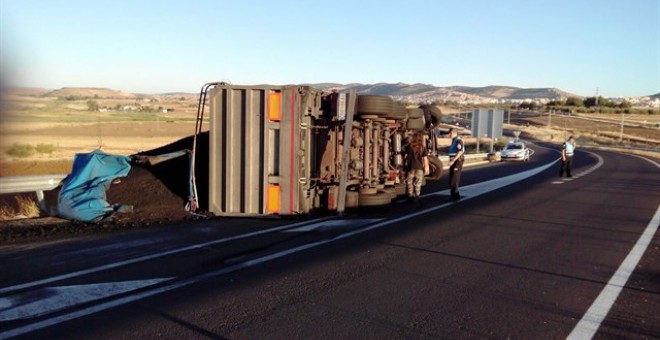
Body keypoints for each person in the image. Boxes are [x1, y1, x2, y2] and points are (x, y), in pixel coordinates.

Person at [405, 132, 427, 203]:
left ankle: (410, 195)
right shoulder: (422, 147)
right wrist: (426, 167)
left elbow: (405, 156)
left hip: (411, 166)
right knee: (418, 183)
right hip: (419, 167)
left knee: (409, 182)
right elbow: (425, 159)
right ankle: (416, 196)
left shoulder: (410, 146)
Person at [447, 128, 464, 202]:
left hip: (457, 161)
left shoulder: (458, 140)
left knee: (455, 178)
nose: (449, 134)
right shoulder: (454, 140)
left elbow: (460, 152)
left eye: (450, 133)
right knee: (452, 178)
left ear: (454, 133)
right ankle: (453, 195)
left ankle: (456, 196)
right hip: (453, 161)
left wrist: (453, 161)